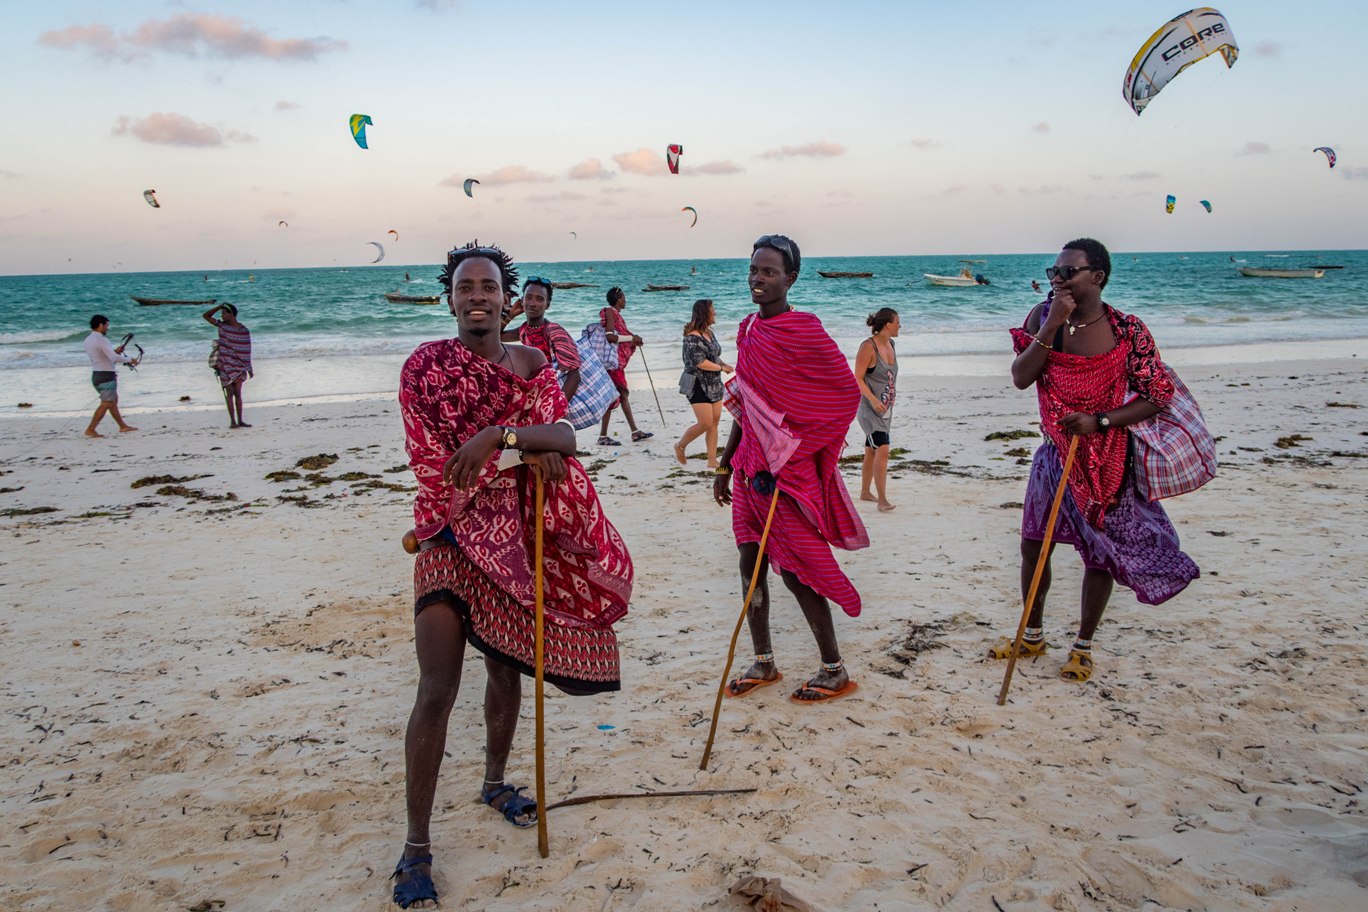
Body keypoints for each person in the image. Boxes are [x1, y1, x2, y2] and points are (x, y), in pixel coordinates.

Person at [390, 242, 633, 909]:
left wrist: (500, 435)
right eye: (465, 286)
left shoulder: (531, 364)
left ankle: (495, 782)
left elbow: (565, 436)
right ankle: (415, 848)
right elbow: (435, 467)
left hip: (518, 539)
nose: (477, 295)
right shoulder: (425, 368)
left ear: (507, 297)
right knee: (437, 685)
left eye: (488, 286)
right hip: (445, 529)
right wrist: (528, 452)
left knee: (504, 668)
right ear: (450, 297)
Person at [996, 237, 1198, 683]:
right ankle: (1032, 635)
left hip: (1107, 458)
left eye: (1068, 272)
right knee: (1034, 545)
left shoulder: (1127, 331)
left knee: (1099, 553)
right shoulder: (1041, 316)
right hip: (1054, 455)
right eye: (1053, 272)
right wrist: (1051, 326)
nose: (1058, 280)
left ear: (1097, 277)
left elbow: (1156, 396)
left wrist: (1100, 421)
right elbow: (1020, 378)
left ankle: (1082, 646)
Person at [713, 235, 869, 704]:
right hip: (748, 470)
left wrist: (794, 453)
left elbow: (844, 396)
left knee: (799, 570)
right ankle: (764, 660)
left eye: (769, 271)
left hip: (786, 473)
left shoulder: (805, 331)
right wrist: (724, 462)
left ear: (791, 278)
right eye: (754, 270)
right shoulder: (748, 331)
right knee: (749, 563)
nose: (758, 279)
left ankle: (834, 668)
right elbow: (749, 405)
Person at [500, 276, 580, 402]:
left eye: (539, 299)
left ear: (547, 305)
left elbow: (574, 376)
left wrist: (557, 407)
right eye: (528, 297)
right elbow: (495, 336)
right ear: (522, 300)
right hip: (539, 395)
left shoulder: (554, 331)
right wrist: (511, 314)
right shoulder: (525, 330)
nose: (532, 303)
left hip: (555, 398)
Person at [673, 299, 732, 468]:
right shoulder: (692, 337)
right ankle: (680, 445)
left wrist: (725, 365)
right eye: (712, 310)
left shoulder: (709, 333)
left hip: (714, 382)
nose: (715, 313)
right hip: (697, 383)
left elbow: (713, 356)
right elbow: (700, 363)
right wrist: (721, 367)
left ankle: (712, 460)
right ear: (704, 313)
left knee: (714, 421)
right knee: (705, 422)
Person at [854, 307, 900, 512]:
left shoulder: (891, 344)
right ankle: (882, 500)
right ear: (888, 325)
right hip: (868, 408)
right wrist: (872, 400)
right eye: (898, 322)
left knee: (871, 451)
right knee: (882, 449)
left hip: (885, 409)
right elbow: (857, 378)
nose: (900, 326)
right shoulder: (868, 347)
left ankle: (865, 492)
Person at [597, 286, 652, 446]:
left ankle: (633, 432)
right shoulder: (610, 311)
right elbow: (610, 337)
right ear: (618, 298)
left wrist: (633, 338)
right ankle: (605, 436)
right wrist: (630, 338)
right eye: (624, 297)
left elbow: (621, 335)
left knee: (620, 396)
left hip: (615, 365)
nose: (625, 300)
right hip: (612, 364)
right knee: (617, 397)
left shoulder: (616, 315)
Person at [83, 314, 139, 437]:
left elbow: (103, 356)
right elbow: (113, 358)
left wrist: (115, 351)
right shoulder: (102, 339)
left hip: (96, 375)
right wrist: (130, 359)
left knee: (112, 402)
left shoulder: (88, 340)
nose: (107, 328)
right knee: (107, 403)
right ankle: (91, 429)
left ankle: (123, 426)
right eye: (106, 325)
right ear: (101, 325)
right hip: (106, 375)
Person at [203, 303, 253, 429]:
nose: (222, 316)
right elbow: (205, 316)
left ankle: (240, 420)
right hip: (224, 364)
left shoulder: (243, 330)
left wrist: (249, 367)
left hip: (239, 365)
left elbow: (247, 350)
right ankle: (233, 421)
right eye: (221, 314)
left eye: (225, 313)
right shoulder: (222, 326)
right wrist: (218, 307)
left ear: (231, 314)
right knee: (229, 393)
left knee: (238, 394)